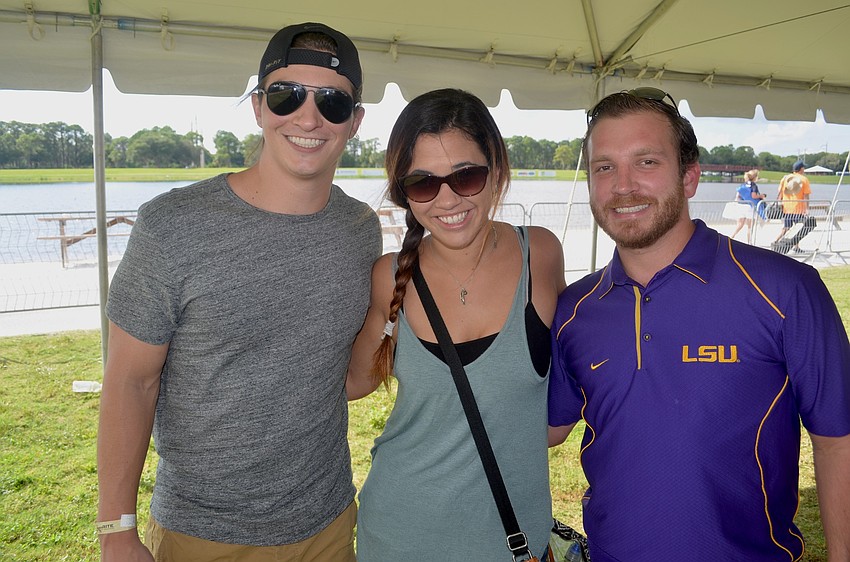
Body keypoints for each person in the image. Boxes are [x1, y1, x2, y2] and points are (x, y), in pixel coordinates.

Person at [96, 22, 382, 562]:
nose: (308, 118)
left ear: (355, 122)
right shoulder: (172, 225)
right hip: (201, 534)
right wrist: (116, 530)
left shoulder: (360, 230)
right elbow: (131, 381)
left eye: (333, 102)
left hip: (327, 524)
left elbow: (336, 377)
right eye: (286, 95)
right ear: (258, 107)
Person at [547, 88, 850, 561]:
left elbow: (837, 441)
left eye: (646, 162)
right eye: (604, 167)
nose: (623, 186)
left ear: (689, 176)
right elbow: (546, 429)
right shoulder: (574, 310)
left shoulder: (785, 289)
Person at [346, 88, 567, 560]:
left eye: (466, 175)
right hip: (399, 536)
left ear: (496, 169)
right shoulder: (389, 276)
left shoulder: (541, 254)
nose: (447, 199)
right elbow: (354, 382)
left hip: (511, 540)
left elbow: (565, 389)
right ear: (403, 190)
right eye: (423, 183)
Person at [772, 160, 812, 252]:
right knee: (798, 228)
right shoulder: (804, 179)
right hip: (798, 208)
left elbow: (780, 191)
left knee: (787, 227)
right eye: (803, 168)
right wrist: (807, 209)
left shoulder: (785, 178)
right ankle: (790, 245)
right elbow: (806, 195)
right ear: (801, 169)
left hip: (786, 207)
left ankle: (777, 241)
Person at [729, 168, 766, 243]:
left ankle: (731, 237)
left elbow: (738, 196)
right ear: (755, 177)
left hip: (741, 206)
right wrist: (761, 196)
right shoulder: (753, 185)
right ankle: (749, 242)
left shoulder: (743, 185)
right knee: (750, 226)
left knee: (739, 224)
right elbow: (753, 196)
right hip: (750, 206)